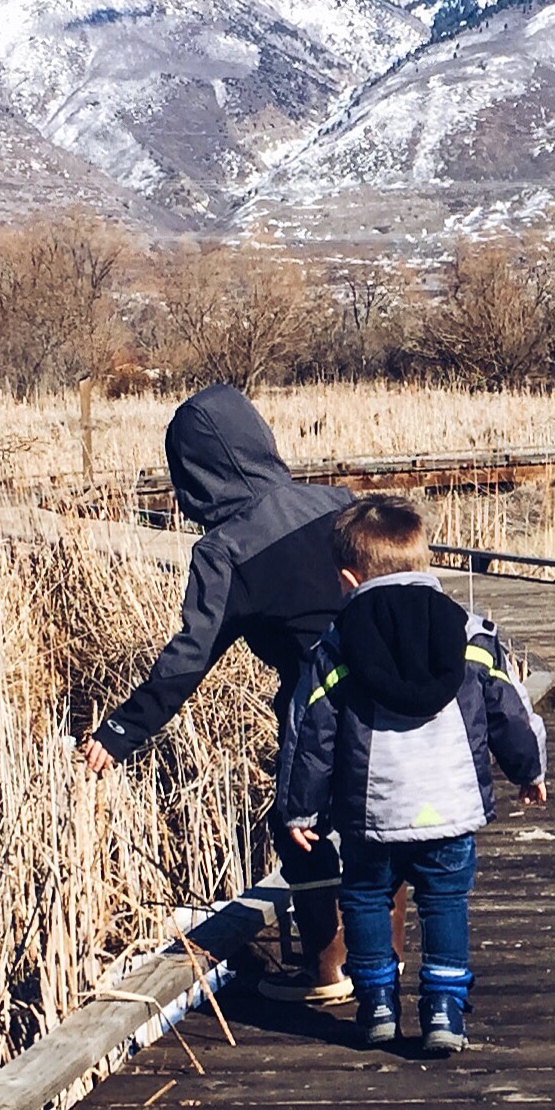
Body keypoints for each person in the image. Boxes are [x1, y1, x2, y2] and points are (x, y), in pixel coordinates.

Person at [80, 383, 355, 1001]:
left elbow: (188, 658)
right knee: (377, 825)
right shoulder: (338, 501)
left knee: (299, 830)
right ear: (261, 440)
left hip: (313, 708)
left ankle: (330, 973)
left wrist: (122, 731)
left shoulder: (224, 551)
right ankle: (380, 970)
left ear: (194, 477)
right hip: (384, 690)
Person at [277, 492, 547, 1056]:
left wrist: (300, 807)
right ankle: (444, 1010)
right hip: (449, 807)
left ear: (348, 580)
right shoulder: (469, 633)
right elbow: (508, 708)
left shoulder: (336, 646)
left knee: (367, 898)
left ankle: (376, 1004)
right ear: (424, 563)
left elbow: (313, 732)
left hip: (371, 814)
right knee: (445, 902)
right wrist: (529, 769)